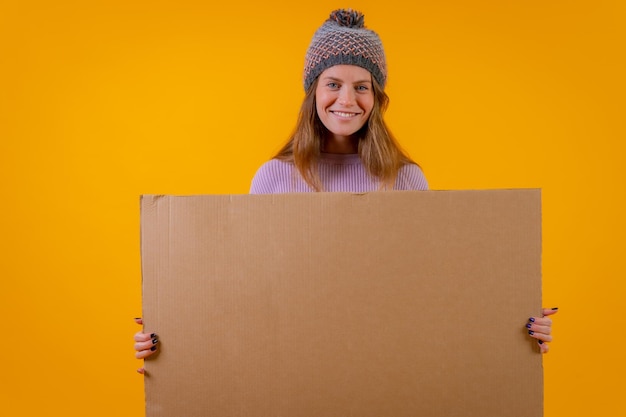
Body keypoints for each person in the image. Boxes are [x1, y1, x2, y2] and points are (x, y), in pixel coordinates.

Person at [133, 8, 557, 373]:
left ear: (377, 97)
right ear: (313, 91)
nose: (347, 99)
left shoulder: (406, 179)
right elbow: (242, 290)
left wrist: (514, 321)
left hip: (387, 367)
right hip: (292, 367)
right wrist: (169, 337)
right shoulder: (273, 179)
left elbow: (438, 289)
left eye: (362, 86)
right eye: (333, 83)